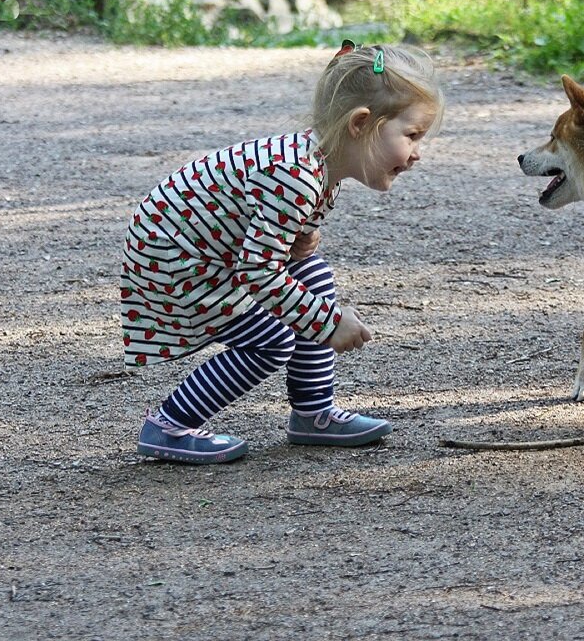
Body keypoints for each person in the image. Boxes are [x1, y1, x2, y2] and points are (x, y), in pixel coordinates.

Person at [120, 41, 444, 464]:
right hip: (176, 261)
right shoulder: (297, 176)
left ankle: (313, 413)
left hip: (205, 252)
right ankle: (169, 425)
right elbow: (257, 270)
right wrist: (325, 322)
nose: (418, 153)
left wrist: (297, 244)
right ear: (361, 124)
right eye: (412, 135)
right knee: (271, 341)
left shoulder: (319, 166)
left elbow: (265, 239)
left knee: (314, 276)